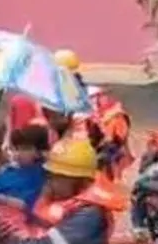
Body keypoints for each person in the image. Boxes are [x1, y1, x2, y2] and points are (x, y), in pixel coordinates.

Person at [54, 48, 133, 180]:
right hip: (65, 160)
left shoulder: (95, 97)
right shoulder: (52, 99)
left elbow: (115, 127)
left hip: (93, 159)